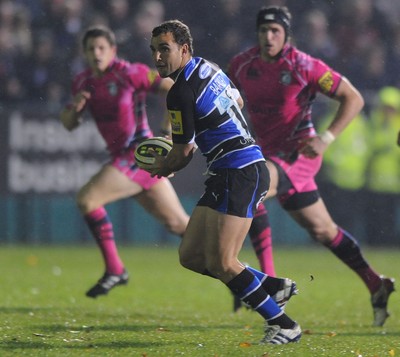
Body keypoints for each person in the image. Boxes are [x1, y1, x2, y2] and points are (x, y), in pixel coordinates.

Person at [228, 6, 395, 327]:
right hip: (267, 153)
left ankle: (269, 281)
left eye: (275, 31)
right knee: (323, 230)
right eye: (264, 30)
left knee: (254, 181)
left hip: (299, 153)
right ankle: (376, 283)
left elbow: (354, 98)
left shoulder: (305, 65)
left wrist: (327, 137)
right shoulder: (242, 64)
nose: (269, 36)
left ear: (286, 35)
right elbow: (225, 95)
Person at [148, 19, 301, 344]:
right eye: (154, 51)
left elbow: (183, 153)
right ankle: (274, 287)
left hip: (239, 171)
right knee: (191, 255)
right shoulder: (208, 68)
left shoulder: (179, 93)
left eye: (164, 49)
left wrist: (163, 166)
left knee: (222, 261)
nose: (158, 57)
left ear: (184, 49)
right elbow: (238, 102)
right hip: (229, 170)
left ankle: (284, 324)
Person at [60, 25, 190, 298]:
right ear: (84, 53)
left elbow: (171, 87)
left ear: (112, 51)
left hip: (138, 154)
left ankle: (115, 269)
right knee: (182, 227)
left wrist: (168, 133)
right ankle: (241, 273)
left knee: (87, 199)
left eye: (101, 48)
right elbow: (69, 124)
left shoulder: (129, 73)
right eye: (91, 49)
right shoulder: (83, 82)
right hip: (132, 160)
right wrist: (75, 109)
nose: (97, 54)